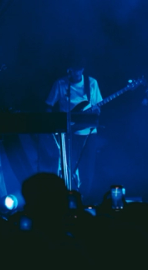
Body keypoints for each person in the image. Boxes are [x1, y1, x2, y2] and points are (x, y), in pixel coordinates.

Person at [45, 62, 102, 201]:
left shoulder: (91, 83)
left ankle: (84, 198)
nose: (76, 73)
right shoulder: (60, 83)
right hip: (67, 132)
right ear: (68, 70)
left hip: (88, 132)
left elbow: (97, 106)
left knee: (88, 167)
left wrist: (96, 111)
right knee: (68, 166)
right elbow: (48, 105)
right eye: (73, 70)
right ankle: (68, 196)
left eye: (79, 70)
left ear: (83, 69)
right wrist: (51, 125)